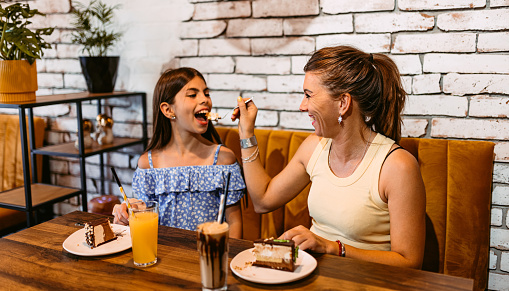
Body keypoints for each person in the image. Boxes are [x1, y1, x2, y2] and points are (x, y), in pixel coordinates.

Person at [232, 45, 426, 268]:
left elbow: (410, 263)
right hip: (312, 275)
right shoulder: (314, 147)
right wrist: (246, 133)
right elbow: (263, 200)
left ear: (343, 103)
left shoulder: (397, 166)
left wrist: (333, 248)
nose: (302, 106)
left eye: (308, 95)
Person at [113, 67, 245, 238]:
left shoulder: (224, 160)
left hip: (209, 259)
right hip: (165, 259)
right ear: (168, 110)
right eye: (192, 95)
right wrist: (127, 213)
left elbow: (234, 223)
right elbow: (143, 219)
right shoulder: (148, 165)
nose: (204, 100)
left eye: (206, 93)